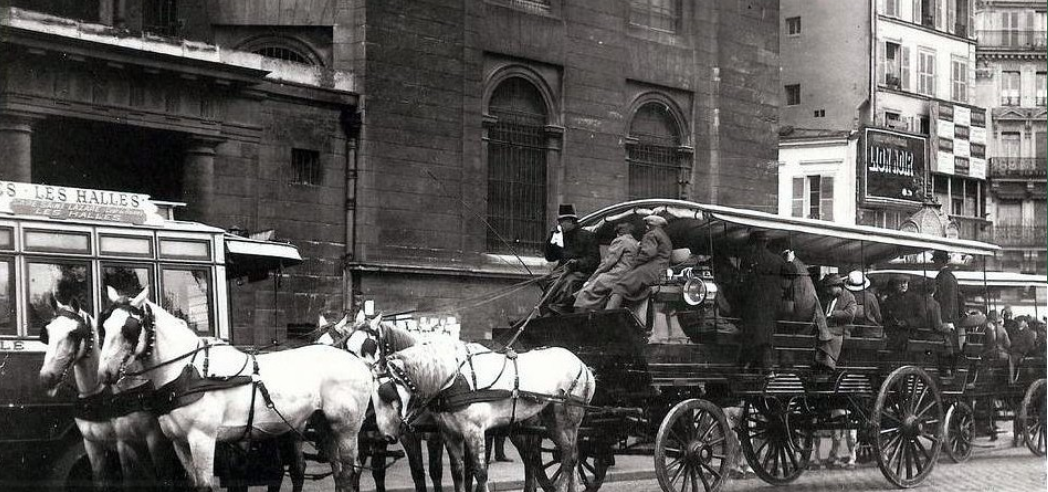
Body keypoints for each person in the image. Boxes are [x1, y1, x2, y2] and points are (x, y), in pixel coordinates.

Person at [737, 231, 787, 373]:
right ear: (766, 242)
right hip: (772, 304)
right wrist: (788, 259)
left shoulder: (748, 258)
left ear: (753, 243)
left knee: (753, 333)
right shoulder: (777, 259)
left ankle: (750, 364)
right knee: (765, 334)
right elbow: (792, 271)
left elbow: (743, 282)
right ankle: (765, 367)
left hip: (753, 303)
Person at [542, 204, 600, 314]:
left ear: (570, 221)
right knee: (551, 284)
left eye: (562, 221)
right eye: (559, 222)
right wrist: (551, 240)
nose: (560, 224)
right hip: (562, 271)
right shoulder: (560, 237)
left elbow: (594, 260)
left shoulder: (588, 236)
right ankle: (546, 310)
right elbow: (550, 257)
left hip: (581, 272)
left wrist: (577, 263)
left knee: (569, 282)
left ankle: (561, 309)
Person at [606, 215, 672, 310]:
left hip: (649, 271)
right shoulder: (665, 237)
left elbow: (648, 253)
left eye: (647, 224)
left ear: (652, 225)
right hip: (661, 271)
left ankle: (607, 315)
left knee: (620, 286)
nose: (646, 227)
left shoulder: (651, 234)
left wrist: (634, 265)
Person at [574, 222, 639, 312]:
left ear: (618, 233)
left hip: (617, 274)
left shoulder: (620, 240)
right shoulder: (635, 242)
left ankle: (579, 317)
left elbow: (607, 263)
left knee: (586, 292)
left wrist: (591, 279)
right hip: (629, 275)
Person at [815, 273, 857, 372]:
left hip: (841, 330)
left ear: (838, 286)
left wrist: (833, 314)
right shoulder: (830, 296)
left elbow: (850, 314)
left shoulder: (849, 297)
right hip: (830, 327)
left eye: (830, 288)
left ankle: (827, 363)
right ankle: (821, 363)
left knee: (827, 335)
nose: (828, 291)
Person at [882, 275, 923, 350]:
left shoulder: (916, 299)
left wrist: (907, 322)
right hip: (894, 335)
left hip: (911, 335)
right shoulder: (890, 300)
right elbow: (885, 317)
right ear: (895, 285)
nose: (903, 285)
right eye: (899, 283)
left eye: (905, 282)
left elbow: (921, 318)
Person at [845, 271, 882, 338]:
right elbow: (878, 316)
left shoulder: (846, 297)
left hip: (850, 333)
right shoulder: (870, 297)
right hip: (869, 333)